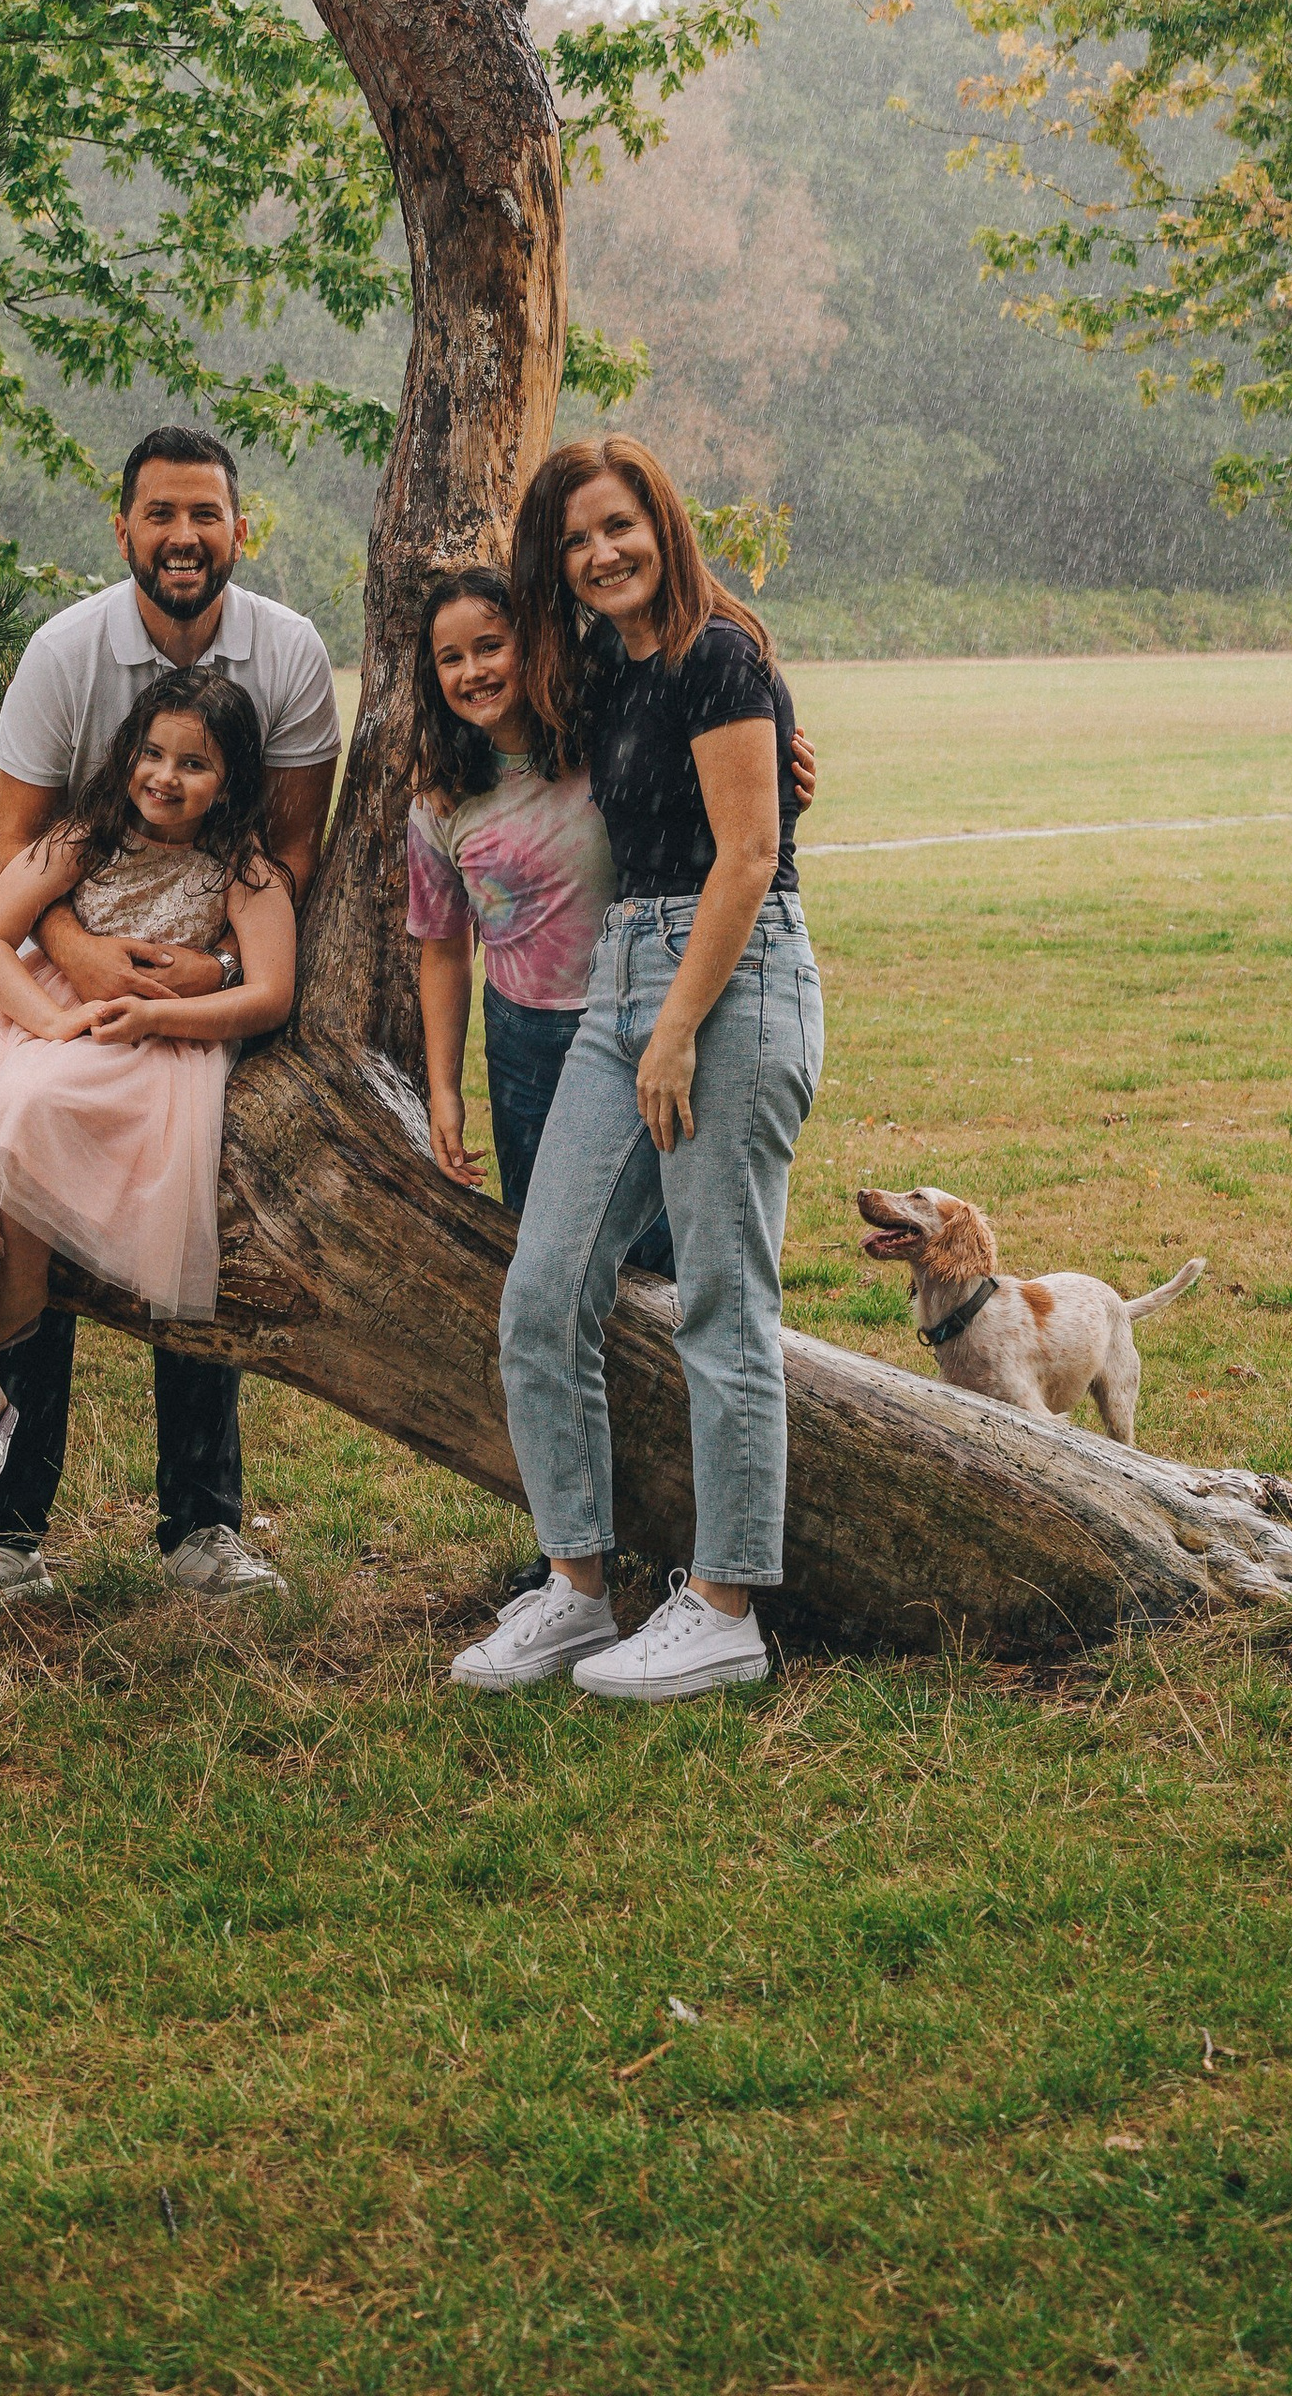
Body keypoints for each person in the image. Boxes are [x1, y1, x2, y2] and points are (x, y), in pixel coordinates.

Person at [0, 423, 342, 1618]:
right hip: (66, 982)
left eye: (206, 515)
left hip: (206, 996)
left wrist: (193, 982)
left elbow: (292, 846)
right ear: (123, 529)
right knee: (7, 1174)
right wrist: (89, 974)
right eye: (160, 515)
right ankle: (1, 1532)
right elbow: (17, 853)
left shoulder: (290, 653)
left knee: (183, 1228)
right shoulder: (64, 653)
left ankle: (202, 1522)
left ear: (240, 527)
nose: (184, 537)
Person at [447, 434, 819, 1706]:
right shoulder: (605, 670)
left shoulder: (721, 653)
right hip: (622, 978)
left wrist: (673, 1032)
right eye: (575, 541)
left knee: (722, 1300)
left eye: (619, 526)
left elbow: (749, 855)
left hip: (731, 983)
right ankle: (574, 1588)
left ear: (661, 520)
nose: (602, 553)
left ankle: (723, 1607)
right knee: (542, 1290)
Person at [0, 674, 297, 1499]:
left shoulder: (243, 868)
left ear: (231, 779)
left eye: (194, 763)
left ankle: (12, 1300)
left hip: (149, 1047)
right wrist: (45, 1024)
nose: (165, 776)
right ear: (126, 754)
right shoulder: (87, 836)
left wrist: (155, 1018)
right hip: (45, 1019)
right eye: (152, 753)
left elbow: (268, 994)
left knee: (25, 1114)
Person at [405, 564, 671, 1281]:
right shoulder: (441, 799)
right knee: (549, 1258)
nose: (473, 672)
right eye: (450, 658)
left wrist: (787, 774)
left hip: (641, 1021)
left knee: (658, 1247)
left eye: (490, 646)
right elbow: (444, 953)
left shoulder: (607, 740)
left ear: (532, 644)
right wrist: (445, 1092)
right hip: (527, 1044)